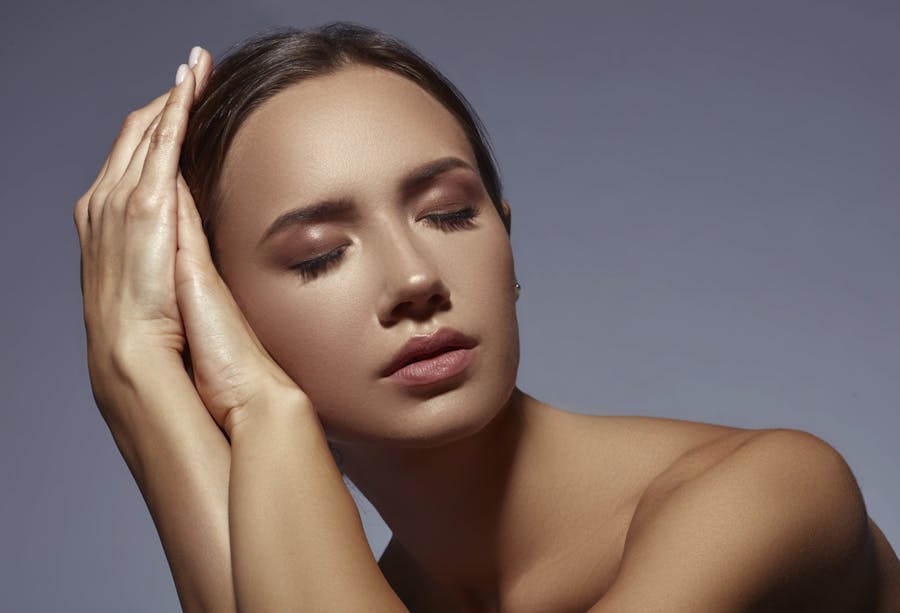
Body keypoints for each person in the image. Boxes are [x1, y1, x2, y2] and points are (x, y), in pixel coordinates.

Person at [74, 22, 899, 613]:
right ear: (220, 315)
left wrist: (252, 404)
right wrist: (143, 379)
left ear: (507, 237)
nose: (415, 276)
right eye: (320, 254)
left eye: (449, 213)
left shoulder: (765, 492)